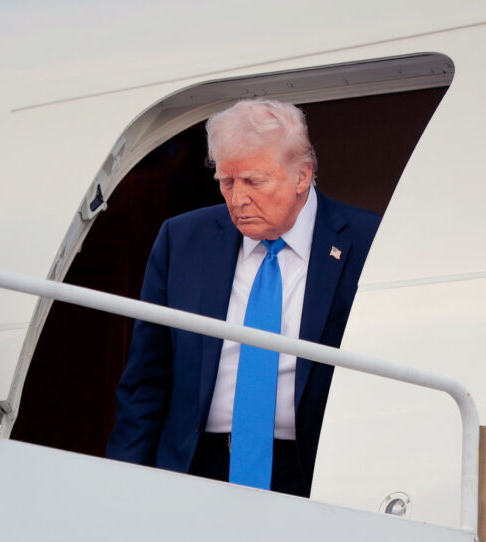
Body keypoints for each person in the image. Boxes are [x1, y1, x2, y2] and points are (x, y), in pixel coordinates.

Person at [106, 99, 380, 496]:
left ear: (302, 176)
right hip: (197, 466)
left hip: (310, 472)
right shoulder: (181, 240)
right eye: (226, 182)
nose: (237, 200)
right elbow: (146, 380)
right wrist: (120, 484)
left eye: (253, 181)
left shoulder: (367, 242)